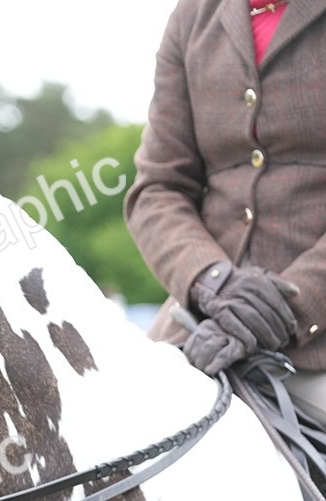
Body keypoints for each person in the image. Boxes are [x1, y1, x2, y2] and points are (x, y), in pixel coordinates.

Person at [126, 0, 326, 422]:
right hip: (201, 325)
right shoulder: (191, 16)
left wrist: (288, 306)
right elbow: (158, 189)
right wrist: (211, 280)